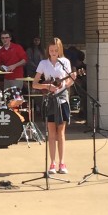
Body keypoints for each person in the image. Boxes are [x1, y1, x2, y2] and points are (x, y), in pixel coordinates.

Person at [32, 37, 75, 175]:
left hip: (62, 99)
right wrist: (47, 86)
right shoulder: (43, 63)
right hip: (50, 100)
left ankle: (62, 163)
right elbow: (34, 83)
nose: (53, 52)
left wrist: (67, 83)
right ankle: (52, 163)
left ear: (60, 50)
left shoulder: (65, 62)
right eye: (51, 50)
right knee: (51, 133)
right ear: (48, 51)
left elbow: (69, 82)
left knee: (61, 132)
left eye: (56, 50)